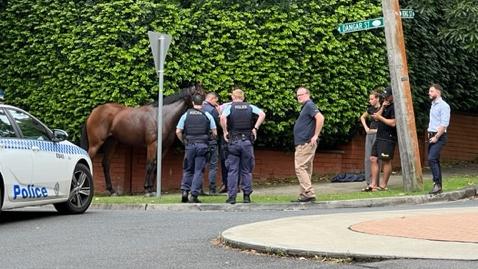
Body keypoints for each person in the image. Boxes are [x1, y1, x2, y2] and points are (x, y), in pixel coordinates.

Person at [220, 88, 265, 204]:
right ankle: (246, 196)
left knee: (232, 170)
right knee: (246, 170)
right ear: (243, 97)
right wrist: (255, 128)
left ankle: (232, 197)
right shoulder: (250, 107)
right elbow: (262, 114)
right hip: (247, 142)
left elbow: (223, 118)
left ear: (233, 97)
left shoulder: (230, 107)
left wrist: (225, 131)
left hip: (234, 142)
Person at [176, 94, 217, 203]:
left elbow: (178, 131)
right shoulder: (207, 115)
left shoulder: (186, 115)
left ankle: (185, 191)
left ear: (193, 103)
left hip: (190, 145)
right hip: (203, 145)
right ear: (202, 103)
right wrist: (209, 139)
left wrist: (184, 141)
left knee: (188, 169)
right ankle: (194, 195)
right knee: (198, 170)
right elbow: (215, 132)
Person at [291, 86, 325, 203]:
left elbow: (320, 118)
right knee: (306, 169)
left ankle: (309, 192)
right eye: (297, 95)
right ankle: (304, 194)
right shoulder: (306, 106)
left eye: (301, 95)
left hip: (305, 142)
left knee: (300, 167)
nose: (299, 97)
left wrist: (315, 135)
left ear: (307, 94)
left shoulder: (309, 105)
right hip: (304, 142)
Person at [362, 86, 396, 192]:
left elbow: (393, 123)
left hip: (388, 136)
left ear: (392, 96)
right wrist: (382, 107)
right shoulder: (385, 105)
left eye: (387, 96)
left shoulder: (395, 107)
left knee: (386, 160)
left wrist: (380, 117)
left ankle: (383, 185)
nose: (385, 98)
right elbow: (376, 117)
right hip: (380, 135)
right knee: (373, 158)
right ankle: (373, 184)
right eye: (384, 96)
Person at [427, 83, 450, 194]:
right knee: (434, 160)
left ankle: (437, 184)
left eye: (431, 91)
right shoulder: (433, 104)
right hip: (432, 136)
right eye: (429, 91)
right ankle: (438, 185)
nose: (429, 93)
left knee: (432, 158)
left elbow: (444, 124)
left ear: (438, 92)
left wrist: (436, 137)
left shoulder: (444, 106)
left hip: (439, 136)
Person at [360, 89, 382, 185]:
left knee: (377, 158)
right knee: (368, 157)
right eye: (370, 99)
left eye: (372, 99)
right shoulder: (370, 109)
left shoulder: (382, 108)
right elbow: (362, 117)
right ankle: (369, 182)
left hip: (379, 135)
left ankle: (375, 181)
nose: (370, 101)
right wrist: (366, 128)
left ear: (377, 99)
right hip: (370, 134)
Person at [202, 92, 220, 195]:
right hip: (211, 140)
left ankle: (198, 188)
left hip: (199, 140)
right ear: (212, 99)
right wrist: (219, 113)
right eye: (216, 101)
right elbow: (217, 125)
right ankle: (212, 189)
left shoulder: (198, 108)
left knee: (200, 165)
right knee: (213, 166)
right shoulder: (212, 110)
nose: (216, 103)